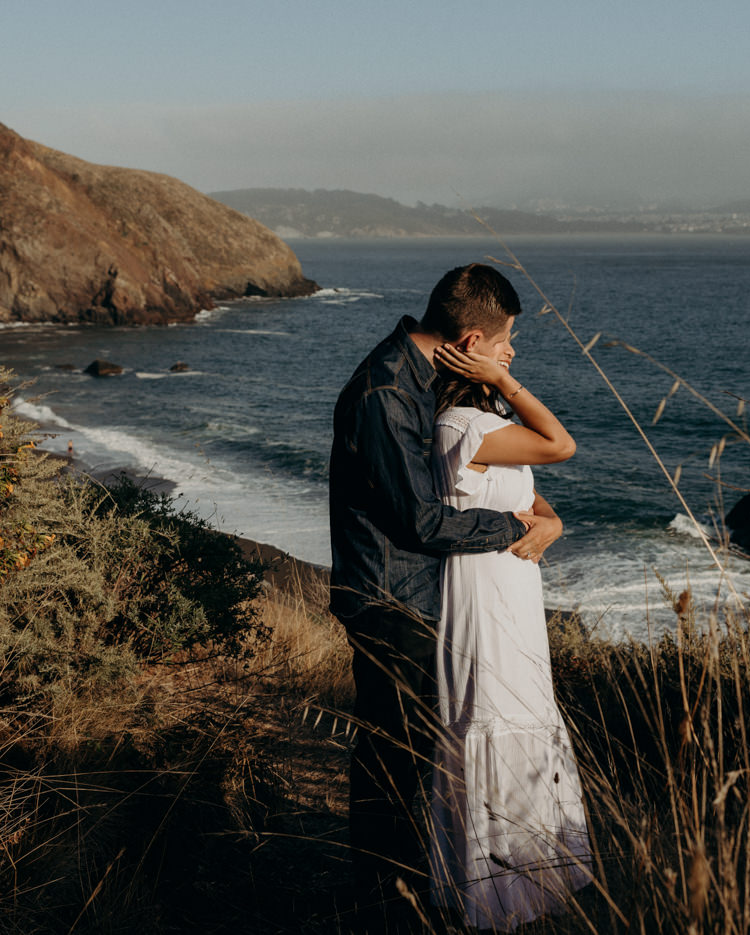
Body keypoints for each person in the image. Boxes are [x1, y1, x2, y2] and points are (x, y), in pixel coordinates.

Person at [328, 264, 561, 927]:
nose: (509, 351)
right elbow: (420, 518)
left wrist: (540, 510)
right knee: (392, 762)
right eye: (506, 338)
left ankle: (413, 895)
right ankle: (385, 907)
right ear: (473, 336)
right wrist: (514, 528)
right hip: (388, 599)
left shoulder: (416, 382)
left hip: (411, 596)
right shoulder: (384, 392)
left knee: (410, 757)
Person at [426, 320, 593, 929]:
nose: (513, 352)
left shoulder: (486, 428)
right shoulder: (462, 425)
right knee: (495, 713)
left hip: (509, 583)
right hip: (485, 590)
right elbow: (559, 444)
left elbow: (529, 495)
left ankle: (523, 888)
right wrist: (507, 381)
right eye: (505, 345)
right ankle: (496, 896)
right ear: (474, 350)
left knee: (519, 709)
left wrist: (552, 522)